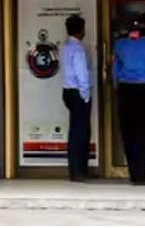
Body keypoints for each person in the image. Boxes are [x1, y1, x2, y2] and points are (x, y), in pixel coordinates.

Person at [112, 12, 145, 185]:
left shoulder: (120, 42)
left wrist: (117, 88)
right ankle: (142, 173)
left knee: (128, 133)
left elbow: (114, 68)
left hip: (125, 90)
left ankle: (133, 172)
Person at [60, 14, 92, 182]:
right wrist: (85, 94)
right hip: (78, 93)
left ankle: (74, 169)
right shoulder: (78, 49)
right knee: (82, 132)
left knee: (74, 131)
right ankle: (80, 171)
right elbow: (82, 74)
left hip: (68, 91)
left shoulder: (65, 47)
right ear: (80, 30)